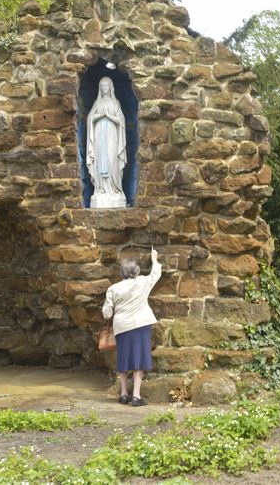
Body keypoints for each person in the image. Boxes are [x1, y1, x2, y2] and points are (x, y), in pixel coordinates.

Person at [102, 247, 162, 406]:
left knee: (123, 358)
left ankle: (123, 394)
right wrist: (154, 259)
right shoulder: (142, 282)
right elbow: (156, 274)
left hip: (121, 326)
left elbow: (107, 313)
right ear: (136, 272)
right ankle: (136, 396)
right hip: (140, 324)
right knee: (139, 359)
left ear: (122, 272)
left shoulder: (113, 289)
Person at [86, 76, 127, 208]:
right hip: (99, 134)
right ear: (100, 88)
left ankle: (115, 188)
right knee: (100, 159)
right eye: (102, 86)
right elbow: (90, 119)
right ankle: (100, 189)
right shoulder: (97, 103)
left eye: (106, 86)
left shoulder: (116, 103)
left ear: (111, 87)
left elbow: (121, 121)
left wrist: (108, 116)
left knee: (111, 159)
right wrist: (99, 116)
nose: (104, 88)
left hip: (111, 134)